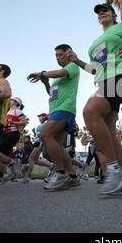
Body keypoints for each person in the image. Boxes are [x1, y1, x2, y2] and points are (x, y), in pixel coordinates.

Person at [69, 3, 122, 195]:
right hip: (103, 80)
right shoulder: (95, 43)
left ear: (113, 15)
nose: (101, 13)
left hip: (120, 76)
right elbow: (95, 69)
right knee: (110, 133)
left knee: (90, 111)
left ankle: (113, 169)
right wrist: (77, 61)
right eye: (98, 12)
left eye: (105, 10)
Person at [27, 44, 81, 191]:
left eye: (60, 54)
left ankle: (59, 172)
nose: (57, 58)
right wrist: (45, 82)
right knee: (58, 145)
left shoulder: (72, 66)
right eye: (56, 55)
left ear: (68, 53)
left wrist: (43, 73)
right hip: (56, 110)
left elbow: (60, 73)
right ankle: (72, 176)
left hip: (65, 109)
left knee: (44, 134)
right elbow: (51, 93)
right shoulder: (57, 78)